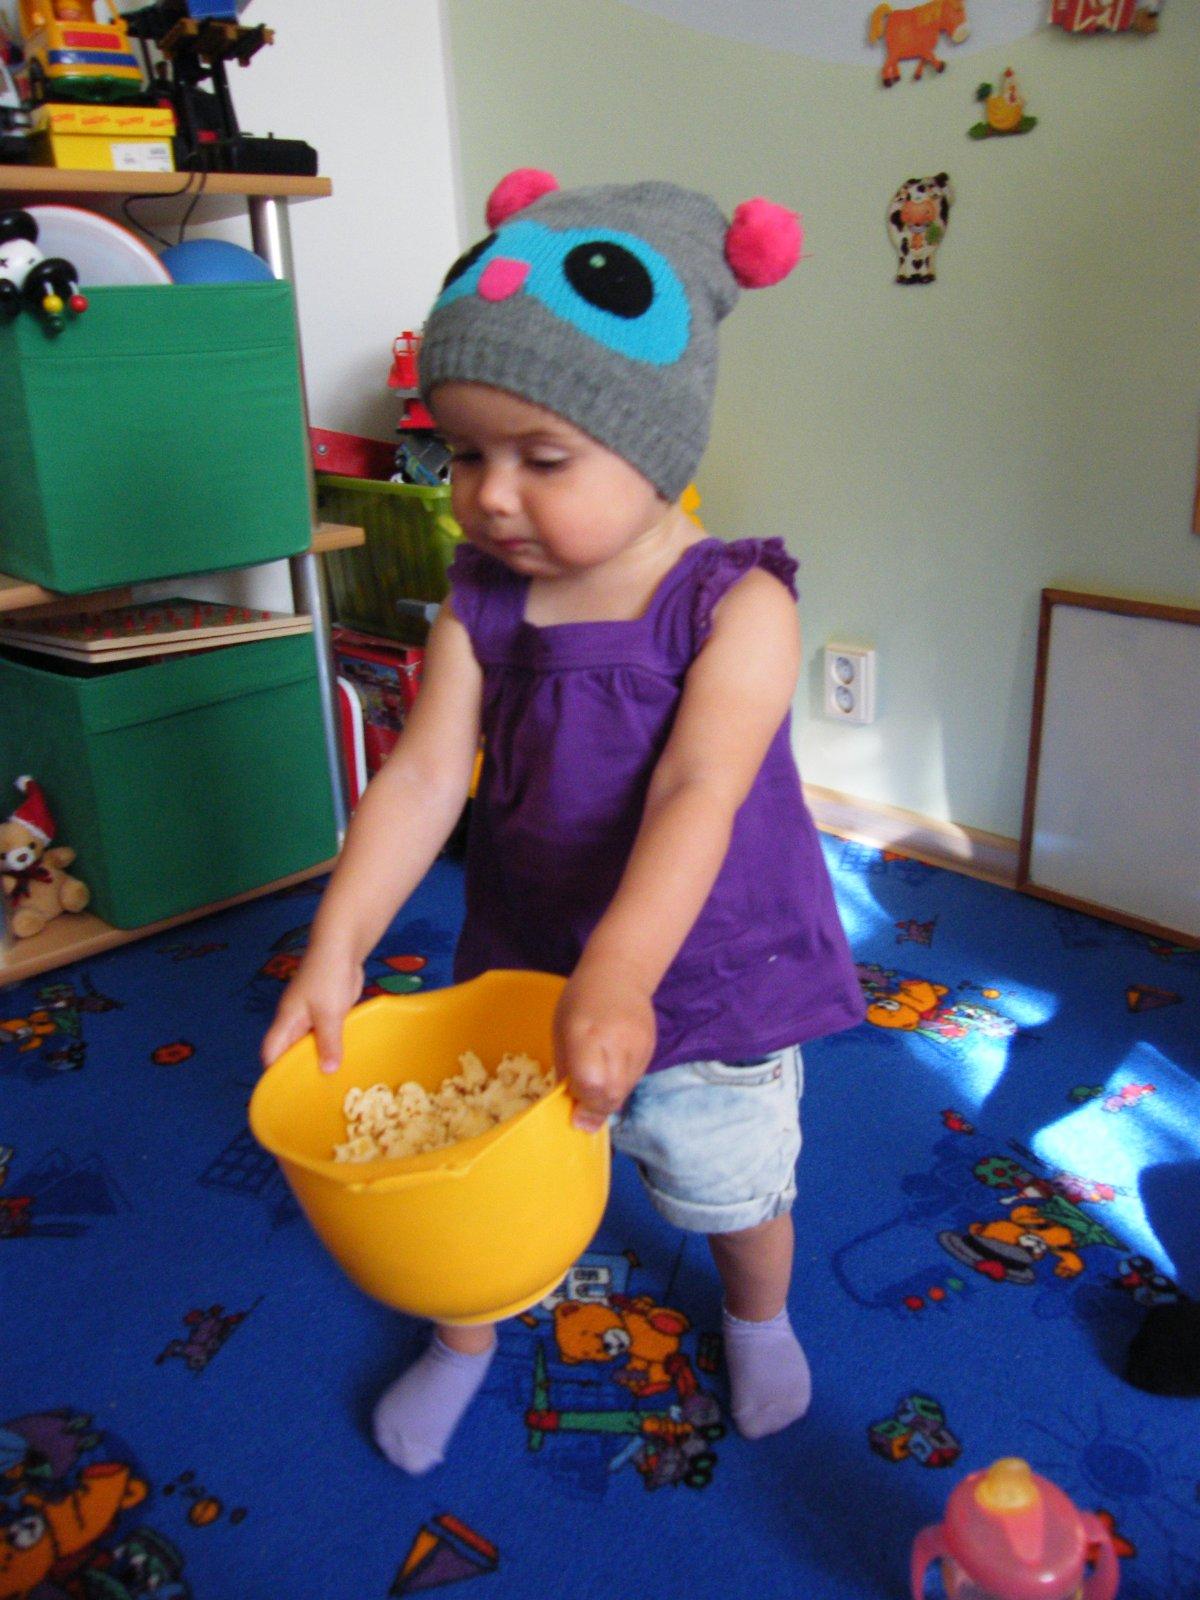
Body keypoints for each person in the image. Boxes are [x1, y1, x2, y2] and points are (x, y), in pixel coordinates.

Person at [261, 168, 866, 1474]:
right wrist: (337, 945)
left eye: (542, 460)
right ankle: (465, 1328)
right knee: (477, 1180)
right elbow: (424, 778)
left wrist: (624, 974)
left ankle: (757, 1318)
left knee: (730, 1183)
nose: (489, 496)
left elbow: (699, 790)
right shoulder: (482, 596)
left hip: (706, 981)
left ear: (658, 448)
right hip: (529, 966)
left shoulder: (737, 604)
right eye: (465, 454)